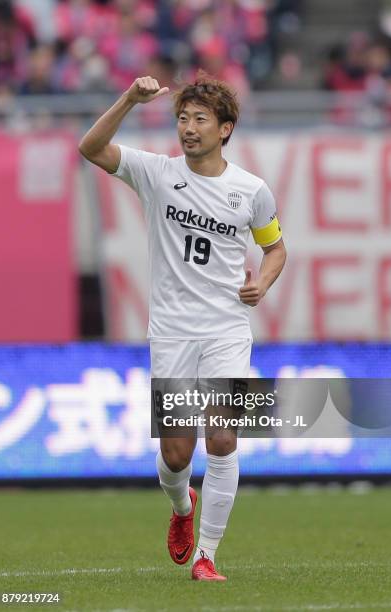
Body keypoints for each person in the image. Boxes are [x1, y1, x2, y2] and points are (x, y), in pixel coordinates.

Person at [78, 72, 286, 581]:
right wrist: (129, 98)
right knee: (176, 454)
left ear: (226, 129)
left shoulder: (251, 191)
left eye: (200, 120)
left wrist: (264, 280)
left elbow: (275, 247)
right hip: (171, 332)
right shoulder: (155, 172)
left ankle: (207, 556)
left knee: (221, 438)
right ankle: (182, 509)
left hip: (227, 331)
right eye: (182, 119)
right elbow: (90, 147)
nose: (188, 129)